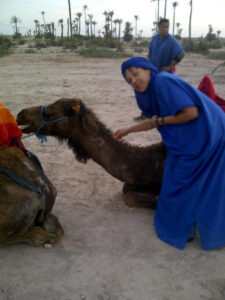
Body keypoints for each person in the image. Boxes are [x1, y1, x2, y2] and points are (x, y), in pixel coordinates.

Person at [113, 57, 225, 251]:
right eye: (128, 80)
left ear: (148, 70)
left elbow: (190, 113)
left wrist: (161, 121)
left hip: (207, 132)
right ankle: (186, 222)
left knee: (183, 180)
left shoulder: (163, 81)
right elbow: (153, 121)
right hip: (190, 135)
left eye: (136, 74)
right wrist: (127, 130)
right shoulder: (145, 94)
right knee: (176, 176)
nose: (134, 81)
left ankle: (185, 227)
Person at [134, 18, 185, 121]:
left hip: (164, 74)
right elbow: (150, 52)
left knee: (163, 94)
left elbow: (181, 54)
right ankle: (145, 114)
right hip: (152, 71)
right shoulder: (155, 38)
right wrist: (147, 65)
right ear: (159, 27)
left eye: (167, 27)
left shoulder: (171, 40)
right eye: (163, 27)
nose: (165, 29)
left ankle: (166, 117)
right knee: (148, 92)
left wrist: (169, 67)